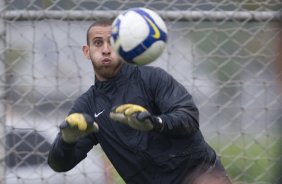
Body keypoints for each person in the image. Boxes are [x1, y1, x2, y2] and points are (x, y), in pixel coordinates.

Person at [48, 19, 232, 184]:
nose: (105, 49)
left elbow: (189, 117)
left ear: (123, 46)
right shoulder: (87, 105)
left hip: (200, 178)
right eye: (98, 43)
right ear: (86, 51)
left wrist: (154, 123)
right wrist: (67, 141)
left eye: (112, 42)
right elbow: (59, 165)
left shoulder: (153, 78)